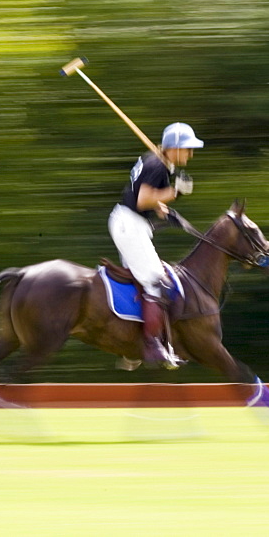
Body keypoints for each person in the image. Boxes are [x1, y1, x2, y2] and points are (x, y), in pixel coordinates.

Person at [109, 121, 204, 369]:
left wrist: (162, 207)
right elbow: (141, 199)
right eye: (187, 148)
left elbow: (145, 196)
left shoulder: (156, 162)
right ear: (174, 148)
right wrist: (174, 191)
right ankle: (152, 345)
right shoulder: (156, 166)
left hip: (129, 223)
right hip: (130, 224)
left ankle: (131, 346)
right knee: (156, 281)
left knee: (142, 283)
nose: (191, 154)